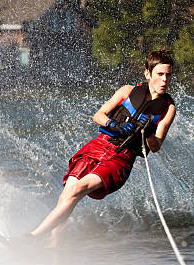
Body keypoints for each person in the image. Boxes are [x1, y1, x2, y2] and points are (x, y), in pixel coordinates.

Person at [25, 49, 176, 245]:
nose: (165, 80)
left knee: (79, 188)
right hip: (98, 145)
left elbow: (156, 146)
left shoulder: (168, 108)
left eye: (168, 75)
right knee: (67, 195)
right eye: (160, 74)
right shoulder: (127, 91)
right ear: (147, 73)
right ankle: (56, 250)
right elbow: (99, 115)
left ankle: (31, 238)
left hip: (121, 158)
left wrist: (147, 133)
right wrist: (114, 124)